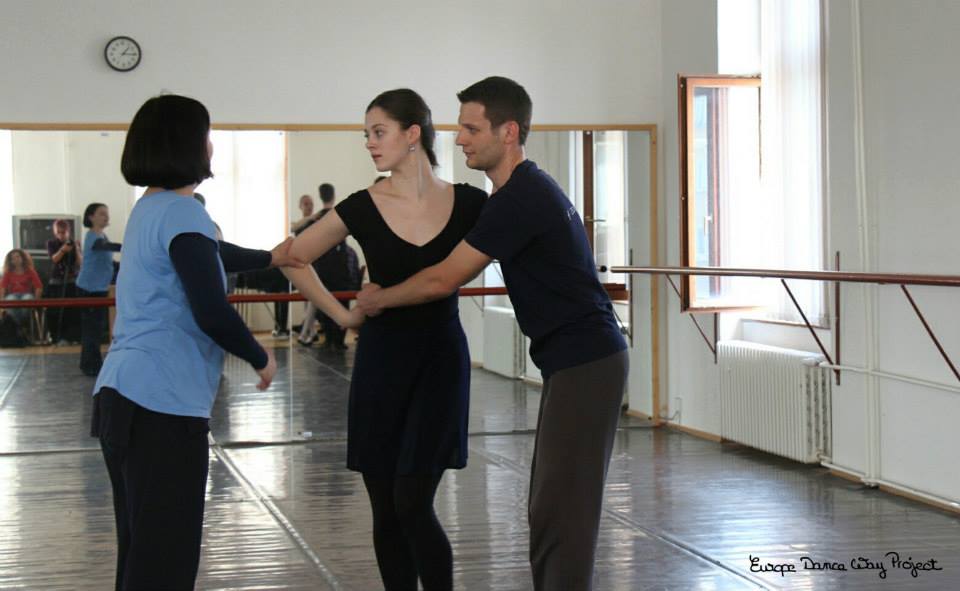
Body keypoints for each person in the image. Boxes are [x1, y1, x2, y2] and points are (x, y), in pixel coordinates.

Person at [356, 76, 629, 591]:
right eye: (460, 127)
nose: (459, 138)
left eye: (471, 128)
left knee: (562, 511)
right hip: (575, 362)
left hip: (588, 362)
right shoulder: (518, 193)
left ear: (508, 133)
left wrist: (379, 298)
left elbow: (442, 279)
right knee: (550, 507)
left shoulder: (519, 199)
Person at [90, 94, 301, 591]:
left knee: (141, 553)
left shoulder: (150, 208)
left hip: (120, 396)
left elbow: (211, 252)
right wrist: (260, 356)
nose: (211, 146)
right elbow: (210, 307)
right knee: (165, 560)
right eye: (207, 135)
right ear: (187, 144)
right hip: (160, 404)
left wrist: (270, 257)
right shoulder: (183, 212)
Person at [283, 88, 486, 591]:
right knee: (386, 510)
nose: (370, 144)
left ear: (412, 134)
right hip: (382, 363)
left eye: (379, 132)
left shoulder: (470, 202)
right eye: (367, 135)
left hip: (439, 362)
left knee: (412, 502)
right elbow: (292, 256)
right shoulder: (362, 206)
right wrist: (344, 317)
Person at [76, 203, 121, 376]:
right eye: (102, 213)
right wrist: (128, 246)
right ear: (91, 217)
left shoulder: (102, 236)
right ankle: (91, 366)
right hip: (89, 289)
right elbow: (103, 247)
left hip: (99, 288)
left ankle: (91, 364)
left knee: (95, 329)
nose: (106, 217)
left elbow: (107, 261)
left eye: (106, 213)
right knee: (91, 329)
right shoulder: (92, 237)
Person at [45, 218, 82, 344]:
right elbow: (54, 259)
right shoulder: (51, 243)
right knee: (56, 311)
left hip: (72, 281)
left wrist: (76, 248)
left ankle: (73, 337)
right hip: (56, 282)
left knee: (72, 311)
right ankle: (57, 337)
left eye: (63, 232)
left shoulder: (74, 243)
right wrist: (63, 250)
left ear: (68, 231)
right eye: (59, 233)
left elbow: (79, 263)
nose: (61, 235)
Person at [0, 248, 43, 338]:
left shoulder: (30, 271)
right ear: (10, 261)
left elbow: (38, 286)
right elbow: (2, 287)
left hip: (27, 294)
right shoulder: (8, 272)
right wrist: (2, 301)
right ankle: (21, 326)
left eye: (17, 257)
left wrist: (37, 300)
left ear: (22, 258)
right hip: (13, 295)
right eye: (13, 258)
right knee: (11, 300)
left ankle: (19, 326)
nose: (16, 259)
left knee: (27, 299)